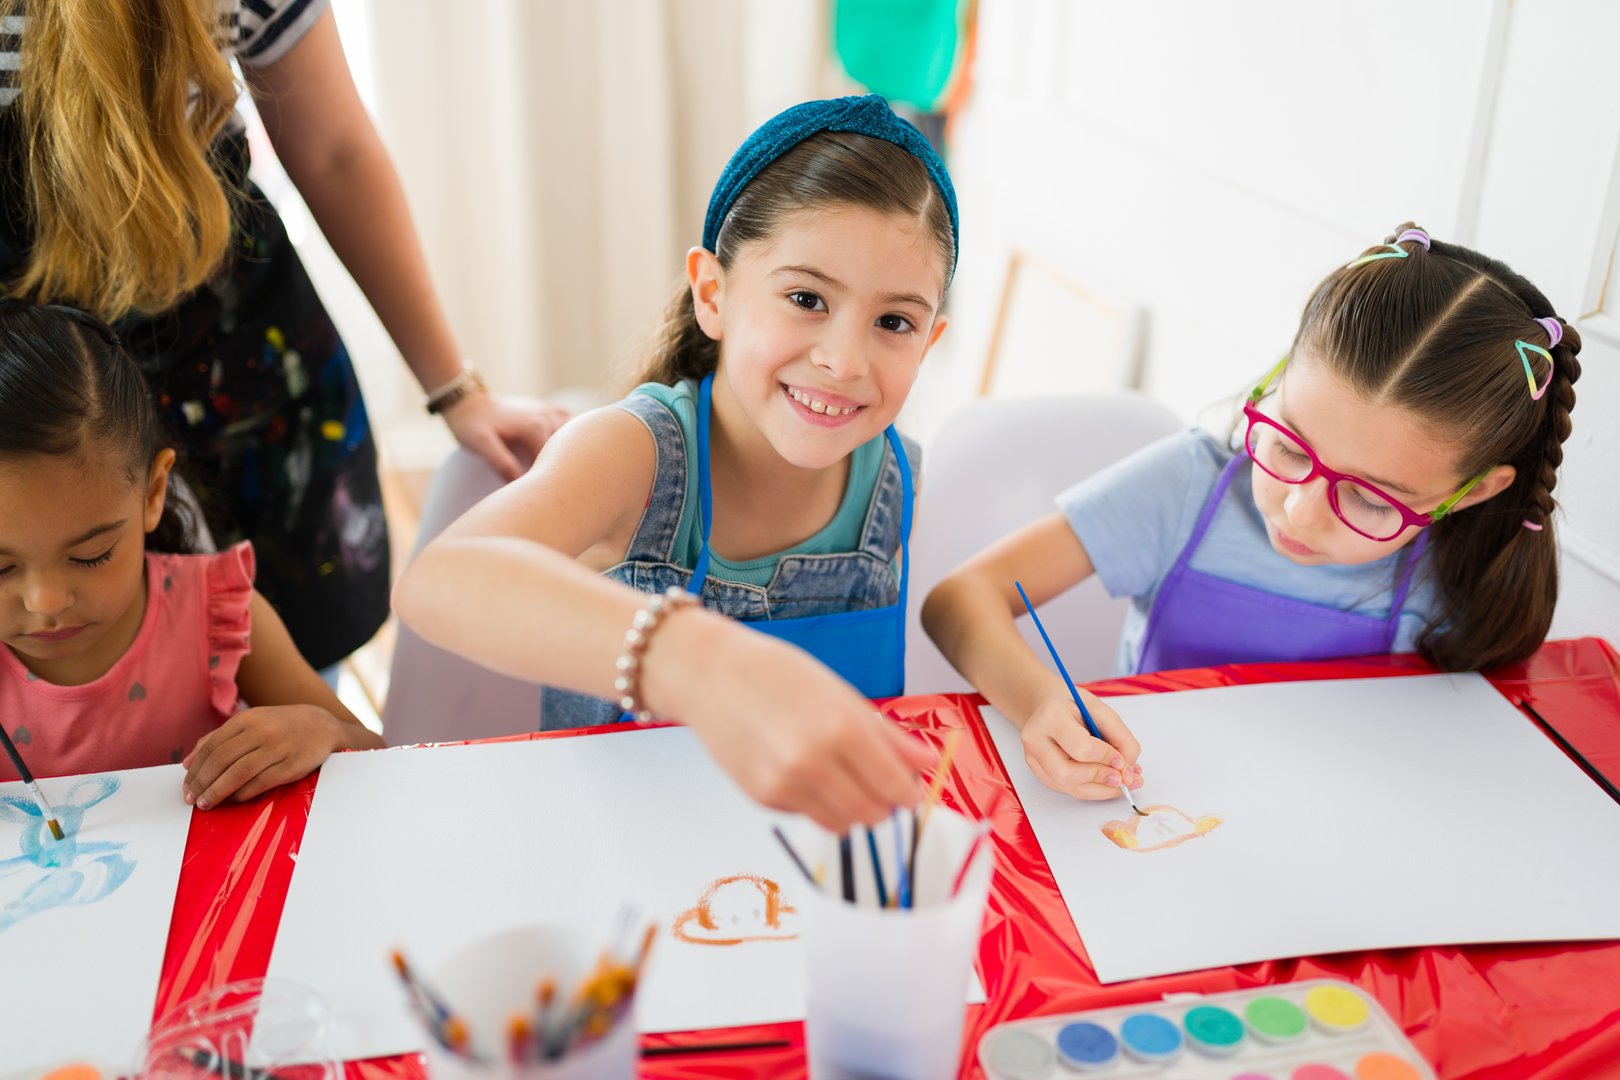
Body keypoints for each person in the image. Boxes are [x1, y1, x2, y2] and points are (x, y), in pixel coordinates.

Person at [394, 95, 957, 831]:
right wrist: (691, 656)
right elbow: (441, 580)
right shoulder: (637, 453)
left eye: (893, 322)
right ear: (713, 295)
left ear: (930, 342)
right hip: (619, 864)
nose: (844, 360)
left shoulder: (899, 480)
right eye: (805, 298)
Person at [0, 0, 567, 672]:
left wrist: (457, 390)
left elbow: (336, 154)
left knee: (287, 680)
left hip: (240, 379)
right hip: (23, 392)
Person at [923, 224, 1582, 802]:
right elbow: (959, 600)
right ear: (1276, 379)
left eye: (1370, 498)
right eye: (1290, 446)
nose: (1299, 509)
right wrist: (1041, 702)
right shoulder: (1188, 487)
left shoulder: (1467, 566)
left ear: (1470, 493)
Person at [0, 302, 383, 806]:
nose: (45, 602)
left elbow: (384, 761)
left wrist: (321, 732)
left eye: (91, 555)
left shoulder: (218, 612)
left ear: (153, 492)